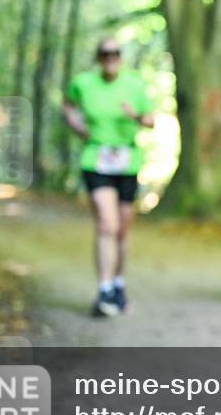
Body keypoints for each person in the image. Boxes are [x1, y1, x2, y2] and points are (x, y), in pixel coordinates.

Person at [63, 38, 155, 317]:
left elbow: (151, 120)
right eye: (105, 54)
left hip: (127, 162)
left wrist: (135, 115)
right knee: (107, 224)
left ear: (121, 57)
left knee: (122, 230)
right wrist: (75, 124)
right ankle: (104, 290)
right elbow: (68, 105)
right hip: (96, 160)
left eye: (115, 53)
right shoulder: (83, 83)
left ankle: (118, 284)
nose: (110, 58)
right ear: (98, 57)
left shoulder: (135, 85)